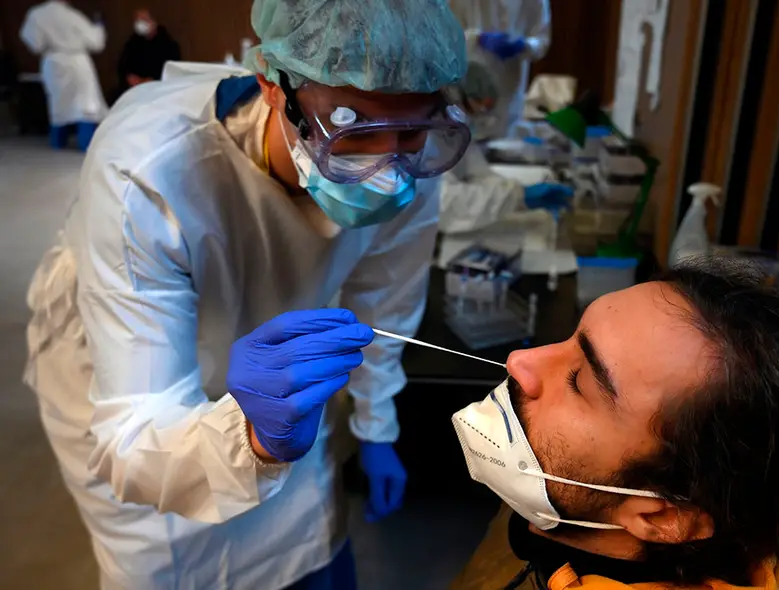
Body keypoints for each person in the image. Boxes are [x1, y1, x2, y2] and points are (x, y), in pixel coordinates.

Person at [23, 0, 469, 588]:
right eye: (353, 128)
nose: (385, 165)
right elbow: (134, 429)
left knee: (303, 537)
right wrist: (255, 437)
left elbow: (385, 301)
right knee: (170, 558)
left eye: (411, 130)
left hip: (277, 369)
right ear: (271, 86)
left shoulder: (409, 165)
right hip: (134, 384)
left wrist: (376, 423)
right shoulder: (150, 168)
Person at [449, 262, 779, 589]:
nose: (520, 362)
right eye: (571, 338)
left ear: (662, 516)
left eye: (580, 381)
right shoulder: (575, 504)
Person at [439, 60, 571, 234]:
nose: (480, 120)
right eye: (475, 110)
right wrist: (517, 196)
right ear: (454, 98)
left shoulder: (453, 132)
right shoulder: (425, 138)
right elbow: (445, 205)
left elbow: (479, 173)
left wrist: (517, 195)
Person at [449, 0, 551, 140]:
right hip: (468, 85)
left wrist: (524, 45)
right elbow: (449, 35)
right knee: (465, 143)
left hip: (511, 91)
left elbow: (542, 40)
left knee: (506, 143)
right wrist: (478, 38)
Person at [19, 0, 108, 151]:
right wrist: (99, 27)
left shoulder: (36, 14)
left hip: (53, 62)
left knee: (58, 104)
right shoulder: (73, 16)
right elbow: (96, 43)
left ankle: (58, 142)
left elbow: (34, 43)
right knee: (85, 105)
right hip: (77, 62)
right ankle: (85, 144)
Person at [116, 9, 180, 95]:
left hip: (160, 90)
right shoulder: (132, 43)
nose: (140, 23)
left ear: (153, 21)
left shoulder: (168, 44)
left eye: (144, 19)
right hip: (134, 91)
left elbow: (172, 68)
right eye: (138, 20)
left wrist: (152, 79)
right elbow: (122, 66)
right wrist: (130, 78)